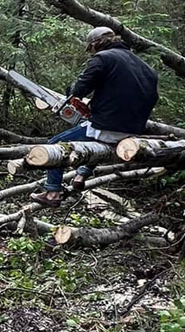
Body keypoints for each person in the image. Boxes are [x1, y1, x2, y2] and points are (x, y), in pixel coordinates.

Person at [30, 26, 159, 208]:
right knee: (96, 144)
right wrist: (92, 107)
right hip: (132, 131)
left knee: (54, 146)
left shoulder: (103, 58)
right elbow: (130, 93)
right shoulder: (144, 67)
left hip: (107, 125)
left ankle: (52, 192)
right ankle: (81, 174)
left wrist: (72, 95)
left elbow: (82, 87)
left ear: (96, 44)